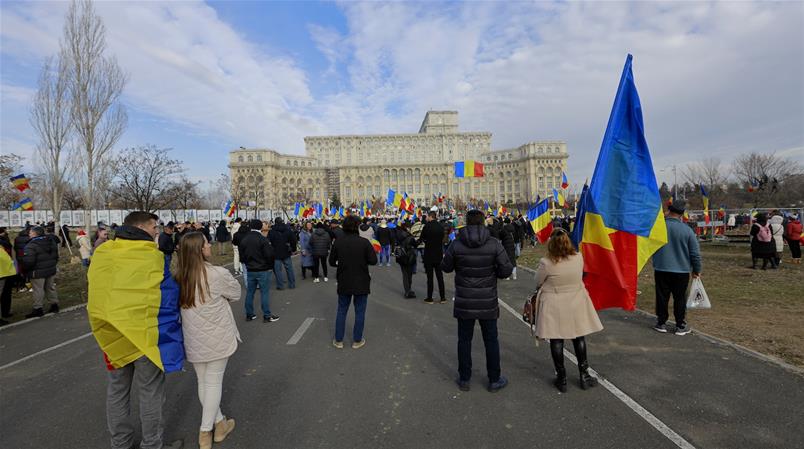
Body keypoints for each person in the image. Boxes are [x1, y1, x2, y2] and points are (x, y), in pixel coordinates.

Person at [87, 211, 184, 449]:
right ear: (141, 227)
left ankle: (120, 444)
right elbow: (167, 297)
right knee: (150, 393)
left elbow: (97, 290)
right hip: (145, 337)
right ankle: (152, 445)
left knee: (117, 391)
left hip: (112, 335)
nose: (156, 233)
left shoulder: (103, 253)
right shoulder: (152, 256)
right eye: (154, 228)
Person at [176, 233, 239, 449]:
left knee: (204, 382)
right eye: (206, 243)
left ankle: (220, 423)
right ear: (200, 250)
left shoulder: (179, 276)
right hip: (217, 335)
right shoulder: (216, 273)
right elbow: (236, 293)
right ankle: (205, 432)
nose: (210, 245)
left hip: (192, 337)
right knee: (212, 382)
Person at [441, 209, 513, 393]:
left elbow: (446, 268)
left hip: (465, 300)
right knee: (491, 340)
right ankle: (494, 379)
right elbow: (506, 271)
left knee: (464, 340)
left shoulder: (456, 244)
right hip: (487, 299)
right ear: (483, 222)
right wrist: (492, 273)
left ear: (466, 222)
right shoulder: (494, 244)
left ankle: (465, 378)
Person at [533, 228, 603, 392]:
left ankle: (562, 378)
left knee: (557, 340)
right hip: (576, 301)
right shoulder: (578, 257)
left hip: (554, 303)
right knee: (579, 337)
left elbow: (537, 281)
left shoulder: (546, 262)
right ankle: (584, 374)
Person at [652, 200, 702, 335]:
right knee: (680, 298)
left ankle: (661, 322)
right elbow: (695, 253)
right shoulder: (687, 231)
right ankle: (680, 324)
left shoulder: (659, 228)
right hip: (681, 270)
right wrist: (697, 270)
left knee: (662, 297)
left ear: (669, 210)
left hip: (661, 267)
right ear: (682, 214)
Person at [328, 215, 378, 349]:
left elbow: (332, 262)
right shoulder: (364, 242)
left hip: (344, 279)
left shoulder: (338, 242)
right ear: (357, 227)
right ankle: (357, 340)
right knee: (360, 311)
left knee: (342, 310)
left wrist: (342, 261)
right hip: (361, 280)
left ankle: (338, 340)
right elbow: (373, 260)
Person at [238, 219, 278, 322]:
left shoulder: (244, 239)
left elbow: (242, 257)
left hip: (250, 269)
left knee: (250, 292)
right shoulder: (262, 239)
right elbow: (270, 255)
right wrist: (269, 266)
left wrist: (247, 264)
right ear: (260, 227)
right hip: (263, 269)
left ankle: (249, 314)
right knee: (264, 292)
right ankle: (267, 315)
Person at [22, 226, 60, 318]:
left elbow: (29, 261)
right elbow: (56, 256)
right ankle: (54, 305)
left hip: (37, 271)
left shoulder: (31, 245)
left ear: (35, 233)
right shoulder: (51, 241)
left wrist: (25, 270)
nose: (29, 234)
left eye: (30, 232)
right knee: (50, 287)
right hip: (50, 269)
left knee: (38, 290)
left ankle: (38, 308)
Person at [420, 211, 446, 303]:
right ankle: (443, 297)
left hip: (429, 254)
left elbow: (421, 238)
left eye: (427, 216)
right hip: (438, 254)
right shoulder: (440, 227)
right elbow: (443, 237)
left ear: (430, 217)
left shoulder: (426, 226)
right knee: (440, 277)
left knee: (430, 278)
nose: (426, 218)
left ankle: (429, 298)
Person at [268, 217, 296, 290]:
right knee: (289, 269)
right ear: (282, 221)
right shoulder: (288, 230)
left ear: (275, 222)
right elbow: (293, 240)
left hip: (276, 253)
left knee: (278, 271)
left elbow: (269, 243)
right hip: (286, 251)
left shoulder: (272, 231)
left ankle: (280, 285)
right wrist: (293, 249)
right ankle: (292, 284)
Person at [395, 222, 418, 298]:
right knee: (409, 274)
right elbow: (415, 245)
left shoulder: (398, 234)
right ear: (407, 228)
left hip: (401, 256)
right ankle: (409, 290)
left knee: (405, 274)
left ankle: (407, 291)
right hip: (409, 256)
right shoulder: (410, 237)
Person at [0, 227, 14, 325]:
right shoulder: (4, 243)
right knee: (5, 294)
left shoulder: (3, 244)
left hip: (5, 273)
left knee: (5, 294)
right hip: (4, 273)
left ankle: (4, 313)